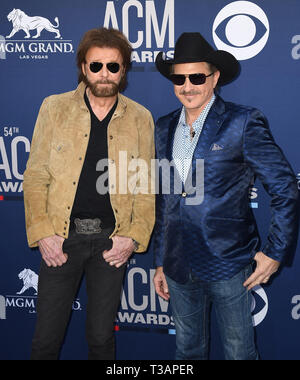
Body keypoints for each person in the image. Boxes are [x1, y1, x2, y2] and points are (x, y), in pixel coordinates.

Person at [153, 32, 299, 360]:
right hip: (178, 266)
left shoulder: (242, 122)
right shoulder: (162, 127)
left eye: (197, 76)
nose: (187, 85)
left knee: (239, 354)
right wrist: (160, 260)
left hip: (228, 263)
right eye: (179, 77)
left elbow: (285, 188)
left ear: (215, 77)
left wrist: (275, 252)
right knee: (186, 350)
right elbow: (164, 199)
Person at [23, 27, 155, 360]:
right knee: (45, 341)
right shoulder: (54, 108)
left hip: (111, 245)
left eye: (113, 66)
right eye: (96, 66)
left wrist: (132, 237)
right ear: (83, 67)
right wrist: (43, 234)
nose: (104, 74)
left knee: (100, 340)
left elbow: (146, 185)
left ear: (123, 70)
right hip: (61, 241)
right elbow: (36, 175)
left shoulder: (140, 118)